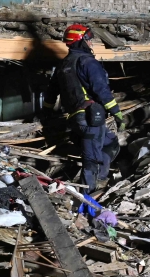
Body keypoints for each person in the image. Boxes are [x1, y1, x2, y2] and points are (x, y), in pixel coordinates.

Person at [42, 25, 125, 193]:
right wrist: (117, 113)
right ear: (80, 42)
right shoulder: (87, 62)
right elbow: (101, 90)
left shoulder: (63, 65)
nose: (91, 43)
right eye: (88, 39)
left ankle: (101, 179)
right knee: (90, 161)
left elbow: (51, 93)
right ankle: (88, 199)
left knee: (110, 143)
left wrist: (46, 113)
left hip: (75, 120)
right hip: (90, 120)